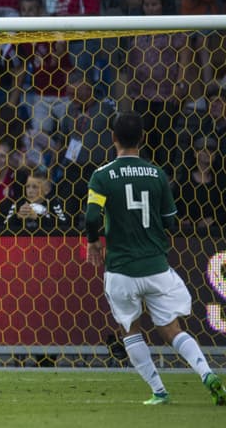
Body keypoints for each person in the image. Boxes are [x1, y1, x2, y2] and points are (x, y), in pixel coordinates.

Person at [85, 112, 225, 406]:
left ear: (112, 138)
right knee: (173, 329)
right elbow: (171, 222)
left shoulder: (102, 175)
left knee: (130, 329)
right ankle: (207, 374)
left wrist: (95, 242)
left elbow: (91, 216)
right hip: (156, 267)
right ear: (143, 139)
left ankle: (159, 390)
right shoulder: (157, 174)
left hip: (121, 269)